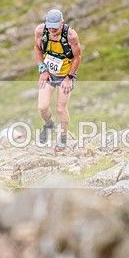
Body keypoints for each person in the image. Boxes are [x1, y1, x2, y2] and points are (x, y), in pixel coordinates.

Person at [34, 9, 82, 152]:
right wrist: (42, 69)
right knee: (42, 107)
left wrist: (69, 78)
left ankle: (63, 137)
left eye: (56, 27)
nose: (53, 30)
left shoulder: (71, 36)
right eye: (50, 27)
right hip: (49, 74)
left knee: (61, 108)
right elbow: (37, 49)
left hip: (65, 75)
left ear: (62, 22)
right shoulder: (41, 31)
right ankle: (49, 125)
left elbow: (77, 57)